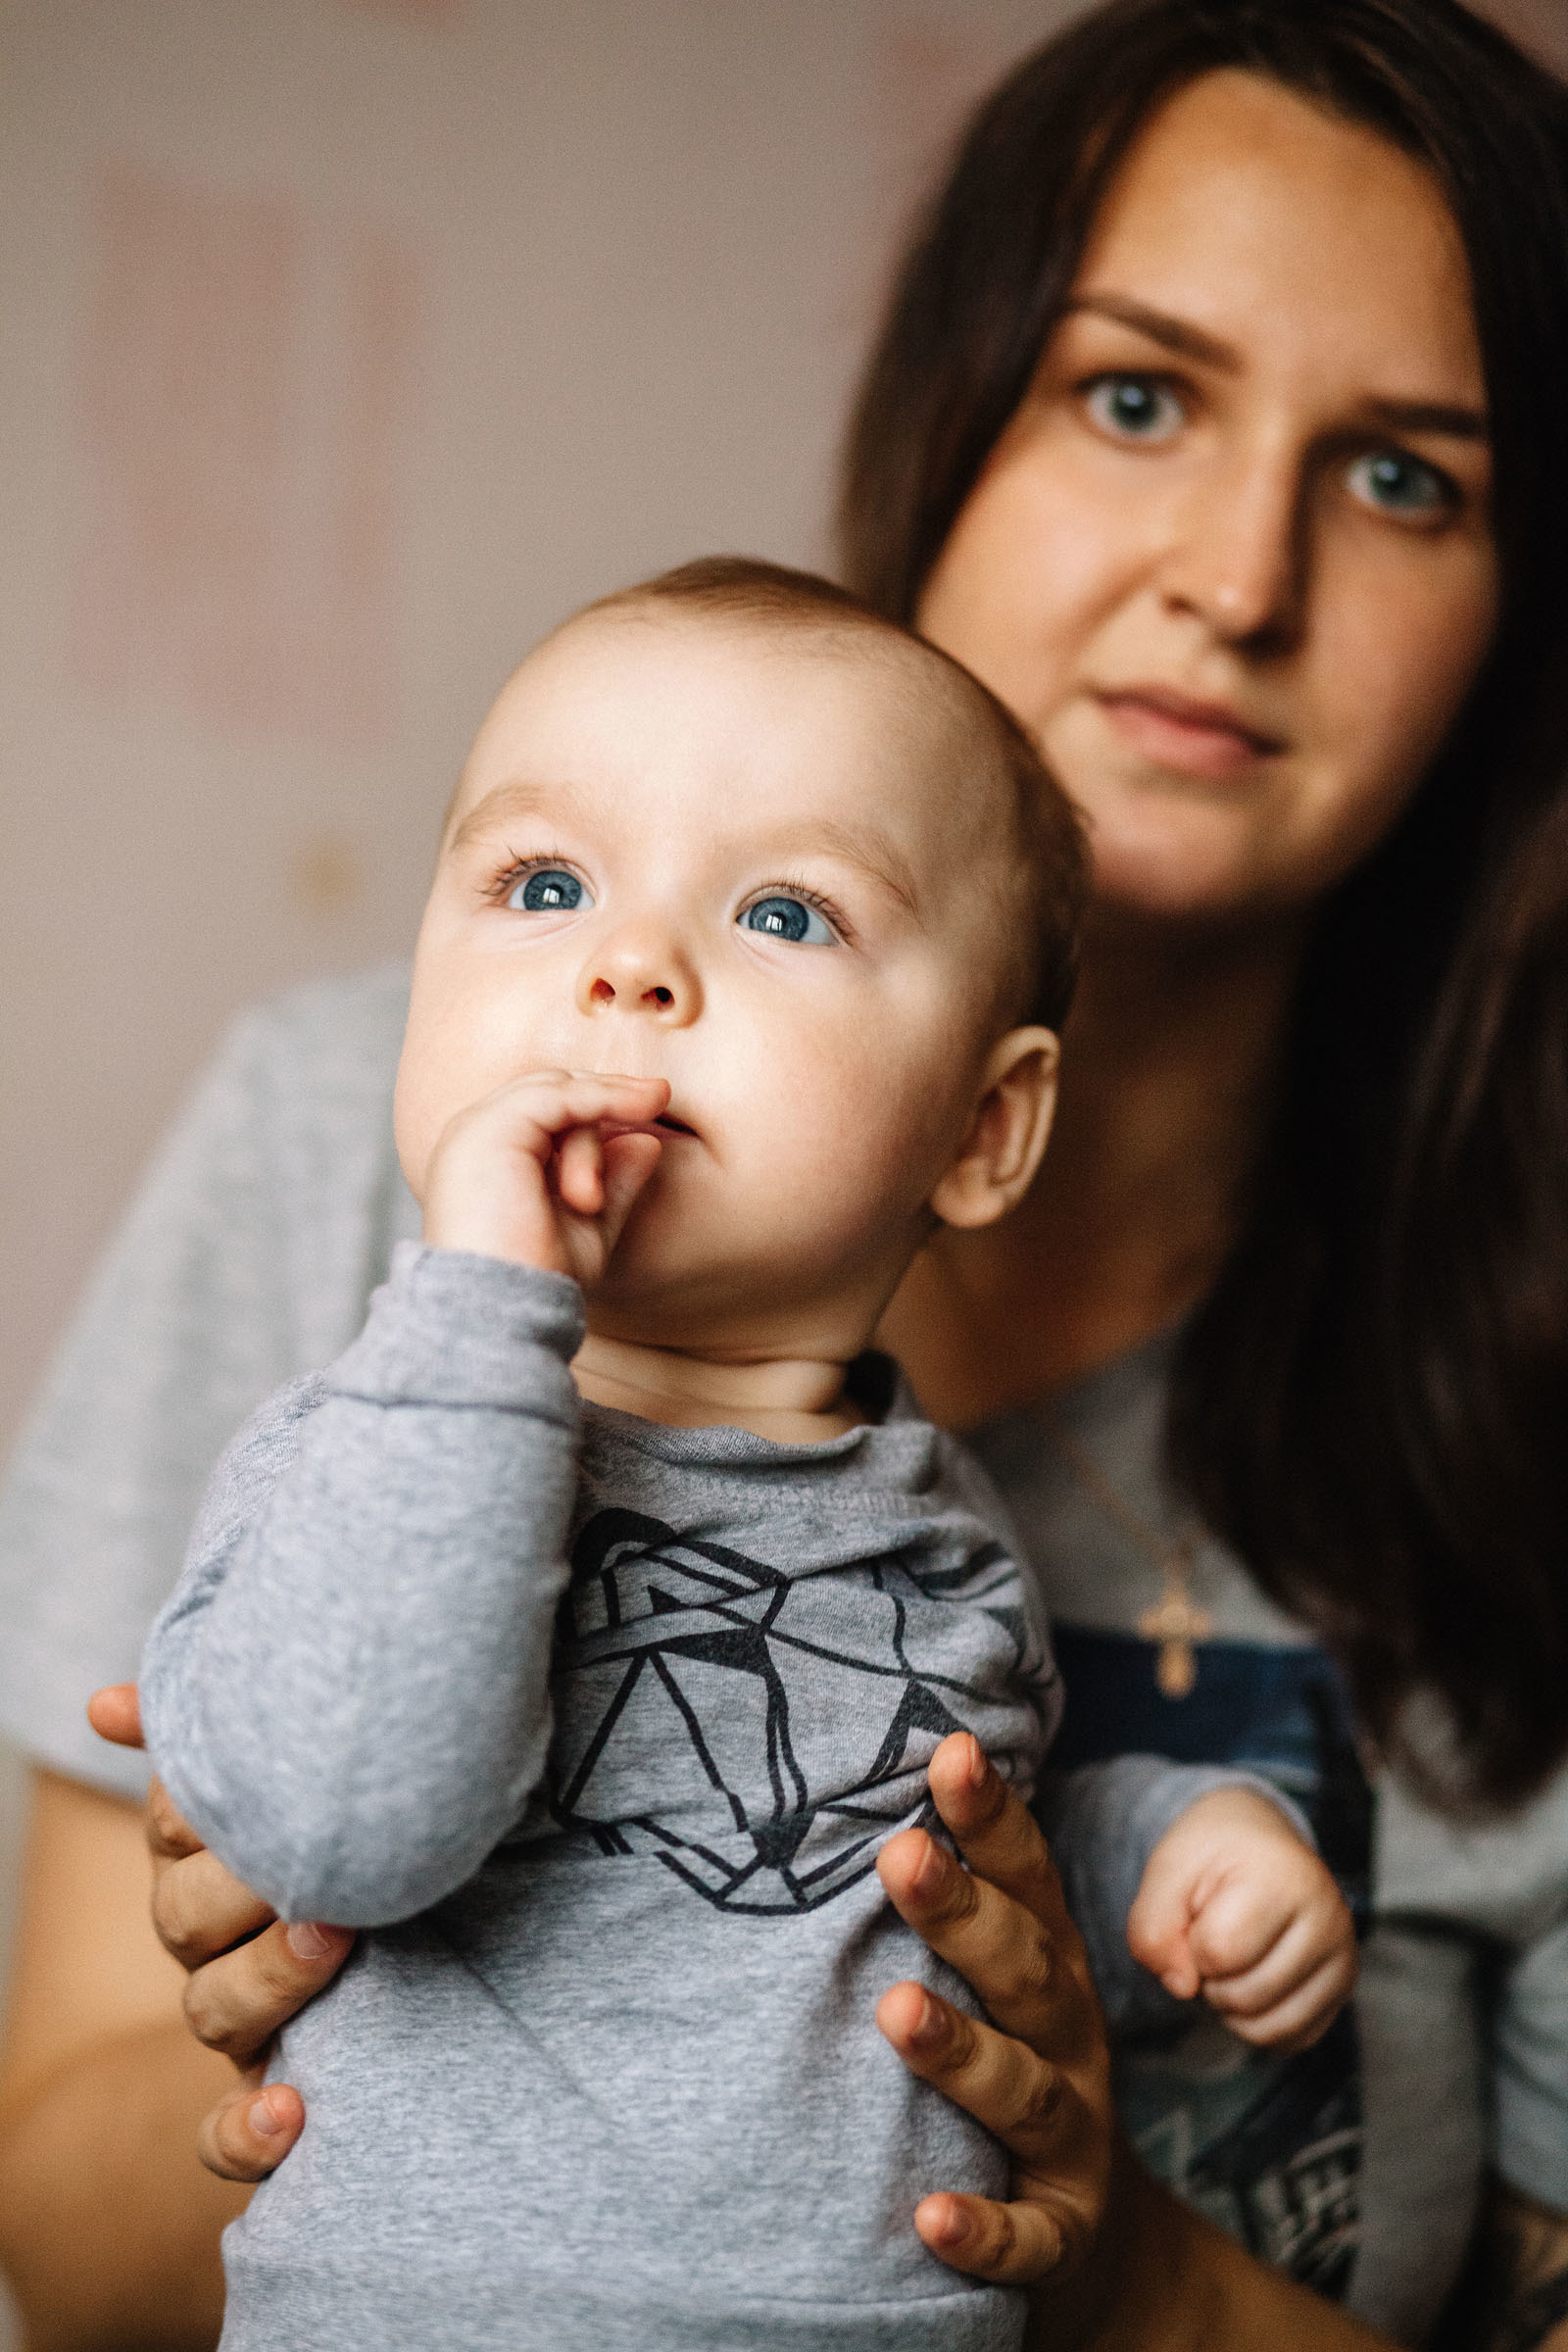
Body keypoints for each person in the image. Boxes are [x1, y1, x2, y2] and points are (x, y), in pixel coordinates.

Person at [3, 0, 1567, 2345]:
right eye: (1131, 395)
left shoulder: (1457, 1383)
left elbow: (985, 1779)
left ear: (984, 1129)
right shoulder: (387, 1176)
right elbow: (60, 2208)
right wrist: (316, 1997)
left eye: (1400, 476)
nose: (1235, 576)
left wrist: (1113, 2247)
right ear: (946, 426)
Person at [136, 557, 1353, 2348]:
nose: (627, 966)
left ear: (985, 1128)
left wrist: (1176, 1844)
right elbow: (354, 1831)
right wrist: (484, 1301)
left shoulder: (936, 1532)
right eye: (544, 885)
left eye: (786, 915)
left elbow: (930, 1845)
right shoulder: (365, 1440)